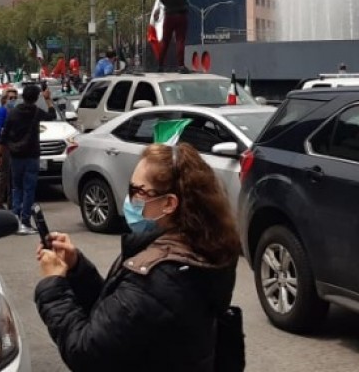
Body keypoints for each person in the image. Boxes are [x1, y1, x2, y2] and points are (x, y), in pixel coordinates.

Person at [34, 143, 240, 371]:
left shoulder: (160, 276)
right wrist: (76, 268)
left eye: (137, 191)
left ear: (169, 203)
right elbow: (119, 318)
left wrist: (53, 286)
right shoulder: (199, 243)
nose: (129, 200)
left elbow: (86, 352)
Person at [0, 83, 56, 234]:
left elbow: (3, 137)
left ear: (22, 96)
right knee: (29, 189)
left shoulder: (13, 112)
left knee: (16, 188)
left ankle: (15, 219)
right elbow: (52, 115)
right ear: (37, 98)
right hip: (32, 156)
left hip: (16, 156)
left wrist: (0, 154)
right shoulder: (36, 112)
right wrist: (48, 99)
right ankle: (25, 221)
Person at [158, 0, 189, 72]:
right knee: (180, 40)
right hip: (181, 15)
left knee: (165, 41)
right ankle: (181, 65)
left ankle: (160, 65)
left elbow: (162, 1)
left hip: (169, 15)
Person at [0, 88, 18, 209]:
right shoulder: (1, 111)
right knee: (4, 173)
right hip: (3, 144)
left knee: (12, 174)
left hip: (12, 144)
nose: (13, 100)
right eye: (10, 98)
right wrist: (0, 151)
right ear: (4, 99)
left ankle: (11, 200)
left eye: (14, 98)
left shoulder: (15, 111)